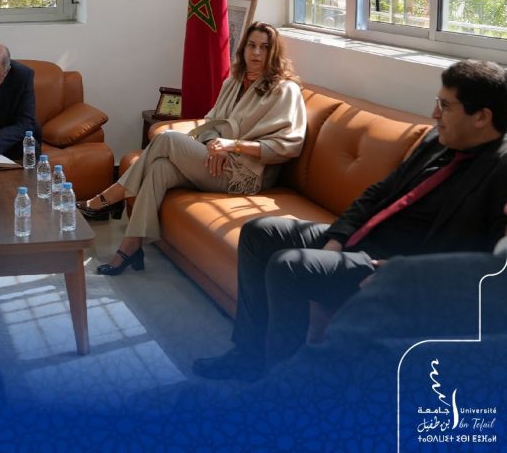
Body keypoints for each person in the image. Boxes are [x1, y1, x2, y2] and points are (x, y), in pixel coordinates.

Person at [193, 59, 507, 381]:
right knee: (260, 230)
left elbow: (483, 258)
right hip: (362, 236)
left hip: (389, 263)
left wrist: (401, 274)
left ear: (482, 117)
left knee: (289, 265)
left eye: (445, 105)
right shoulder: (436, 141)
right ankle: (248, 354)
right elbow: (379, 192)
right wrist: (337, 238)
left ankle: (279, 384)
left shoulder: (498, 171)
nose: (434, 114)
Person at [84, 22, 307, 276]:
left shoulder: (284, 90)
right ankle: (130, 247)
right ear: (243, 48)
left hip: (245, 173)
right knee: (159, 168)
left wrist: (233, 146)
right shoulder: (233, 82)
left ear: (274, 52)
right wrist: (212, 146)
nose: (256, 53)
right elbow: (211, 121)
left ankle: (111, 196)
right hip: (217, 159)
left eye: (264, 48)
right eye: (251, 45)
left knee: (166, 139)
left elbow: (288, 146)